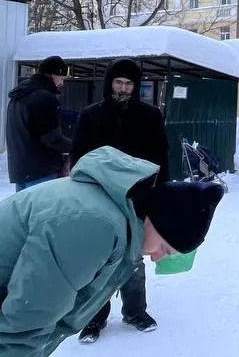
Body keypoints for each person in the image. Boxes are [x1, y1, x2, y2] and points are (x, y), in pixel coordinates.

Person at [0, 146, 224, 356]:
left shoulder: (106, 217)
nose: (158, 257)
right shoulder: (92, 224)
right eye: (165, 247)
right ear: (156, 221)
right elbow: (21, 328)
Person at [72, 58, 171, 342]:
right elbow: (78, 159)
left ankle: (135, 311)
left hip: (137, 198)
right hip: (99, 198)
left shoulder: (150, 116)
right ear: (109, 84)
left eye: (129, 84)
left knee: (133, 259)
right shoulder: (90, 116)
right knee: (97, 262)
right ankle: (93, 318)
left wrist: (162, 194)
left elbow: (162, 158)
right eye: (118, 82)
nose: (123, 88)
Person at [5, 55, 72, 192]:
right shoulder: (43, 98)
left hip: (21, 171)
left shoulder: (19, 96)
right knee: (43, 213)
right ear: (54, 74)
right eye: (62, 78)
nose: (62, 84)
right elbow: (52, 139)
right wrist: (77, 146)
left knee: (26, 212)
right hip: (41, 172)